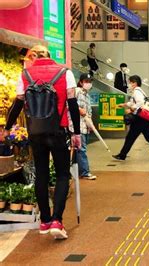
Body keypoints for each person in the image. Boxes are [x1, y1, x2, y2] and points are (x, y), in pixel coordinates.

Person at [3, 45, 82, 240]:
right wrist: (76, 133)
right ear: (50, 56)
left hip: (35, 132)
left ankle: (45, 221)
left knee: (41, 173)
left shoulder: (25, 74)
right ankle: (57, 220)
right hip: (58, 131)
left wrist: (7, 127)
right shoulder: (65, 73)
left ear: (32, 57)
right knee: (63, 174)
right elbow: (72, 104)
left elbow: (18, 103)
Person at [113, 75, 149, 161]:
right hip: (143, 118)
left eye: (130, 82)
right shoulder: (139, 91)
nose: (129, 84)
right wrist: (124, 105)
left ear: (134, 83)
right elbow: (134, 102)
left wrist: (131, 109)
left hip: (139, 118)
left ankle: (122, 155)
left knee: (130, 137)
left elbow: (140, 102)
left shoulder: (137, 91)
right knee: (148, 136)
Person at [70, 73, 96, 180]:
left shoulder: (87, 95)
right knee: (81, 148)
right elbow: (69, 104)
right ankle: (85, 172)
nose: (88, 84)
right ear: (81, 82)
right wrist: (78, 109)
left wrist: (90, 123)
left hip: (85, 126)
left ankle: (74, 170)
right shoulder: (76, 91)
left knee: (77, 149)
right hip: (77, 125)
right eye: (86, 81)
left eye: (90, 82)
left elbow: (88, 111)